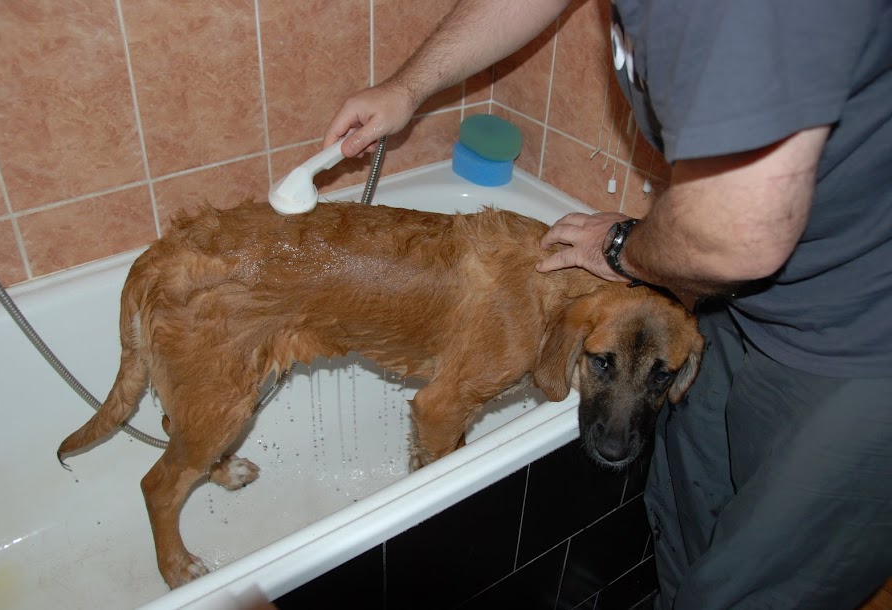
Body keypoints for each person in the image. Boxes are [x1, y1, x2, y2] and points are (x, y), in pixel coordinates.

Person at [323, 1, 892, 608]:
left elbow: (736, 234)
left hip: (855, 334)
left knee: (767, 580)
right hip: (739, 292)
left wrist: (621, 247)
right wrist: (406, 88)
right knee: (689, 508)